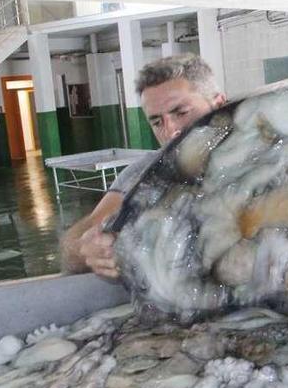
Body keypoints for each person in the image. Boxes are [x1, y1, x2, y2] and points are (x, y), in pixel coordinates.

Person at [61, 54, 226, 278]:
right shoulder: (143, 175)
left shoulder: (268, 157)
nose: (170, 130)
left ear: (219, 105)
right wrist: (86, 250)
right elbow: (77, 241)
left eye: (181, 112)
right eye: (157, 122)